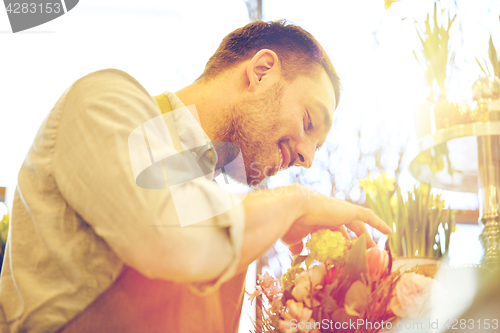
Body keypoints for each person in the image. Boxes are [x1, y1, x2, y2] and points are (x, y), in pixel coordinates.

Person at [0, 20, 391, 333]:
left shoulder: (216, 203)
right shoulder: (105, 100)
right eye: (309, 121)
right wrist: (294, 203)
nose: (305, 158)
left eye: (316, 149)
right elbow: (166, 237)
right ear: (261, 71)